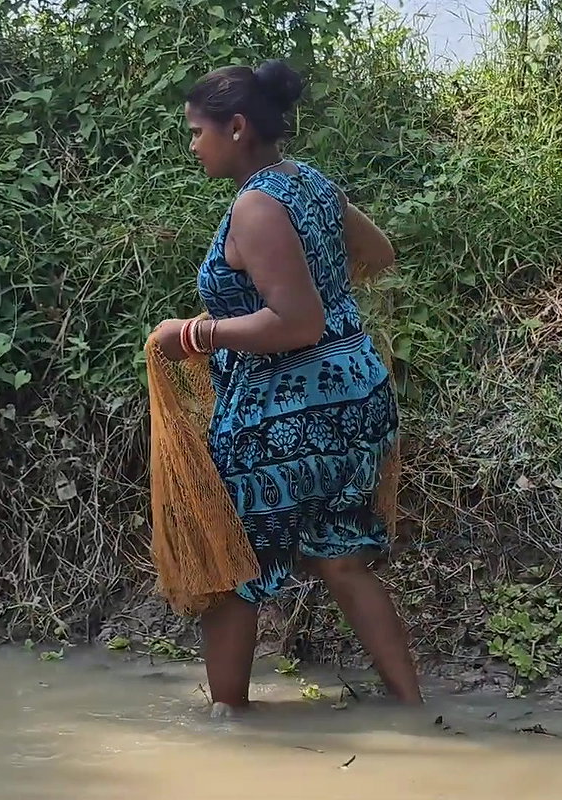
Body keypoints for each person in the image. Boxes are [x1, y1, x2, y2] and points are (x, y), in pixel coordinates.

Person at [151, 58, 422, 713]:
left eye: (198, 131)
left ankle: (228, 729)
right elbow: (378, 253)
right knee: (342, 561)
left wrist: (191, 335)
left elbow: (294, 323)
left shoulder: (256, 207)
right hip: (357, 402)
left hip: (285, 420)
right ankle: (416, 712)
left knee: (231, 573)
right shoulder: (310, 184)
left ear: (237, 127)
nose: (193, 145)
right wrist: (321, 300)